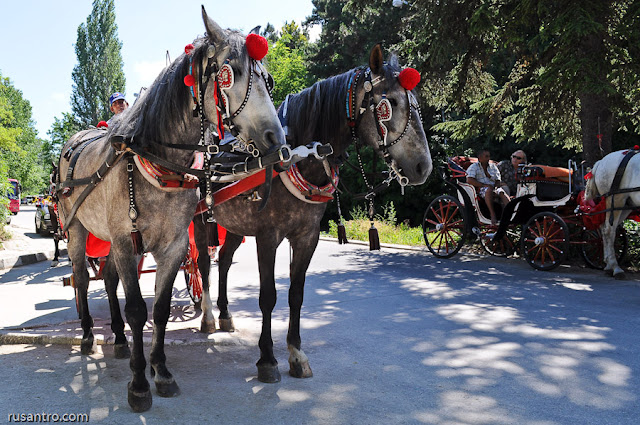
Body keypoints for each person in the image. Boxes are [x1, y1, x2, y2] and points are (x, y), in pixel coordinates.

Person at [466, 149, 510, 225]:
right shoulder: (474, 167)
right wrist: (483, 185)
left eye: (489, 156)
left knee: (502, 191)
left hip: (493, 187)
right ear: (480, 158)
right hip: (481, 188)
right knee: (489, 189)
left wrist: (496, 187)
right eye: (486, 156)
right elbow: (469, 180)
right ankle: (492, 214)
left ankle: (509, 212)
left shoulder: (493, 166)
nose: (488, 158)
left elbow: (498, 179)